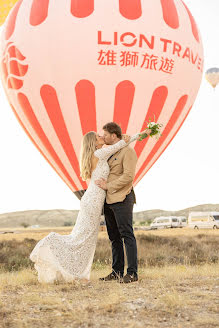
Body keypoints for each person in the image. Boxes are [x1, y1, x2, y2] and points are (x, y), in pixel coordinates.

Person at [29, 127, 150, 283]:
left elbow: (120, 152)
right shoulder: (99, 154)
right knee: (83, 238)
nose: (101, 137)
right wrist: (141, 135)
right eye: (98, 136)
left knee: (83, 237)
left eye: (103, 134)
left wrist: (124, 140)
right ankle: (63, 257)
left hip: (91, 199)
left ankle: (75, 271)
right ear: (93, 142)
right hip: (93, 200)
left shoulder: (96, 155)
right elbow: (120, 144)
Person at [96, 122, 149, 283]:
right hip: (108, 200)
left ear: (114, 135)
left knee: (127, 235)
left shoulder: (128, 152)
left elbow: (128, 176)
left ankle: (132, 273)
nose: (102, 137)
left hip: (122, 198)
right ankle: (116, 271)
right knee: (114, 237)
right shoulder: (107, 152)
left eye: (105, 134)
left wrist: (108, 186)